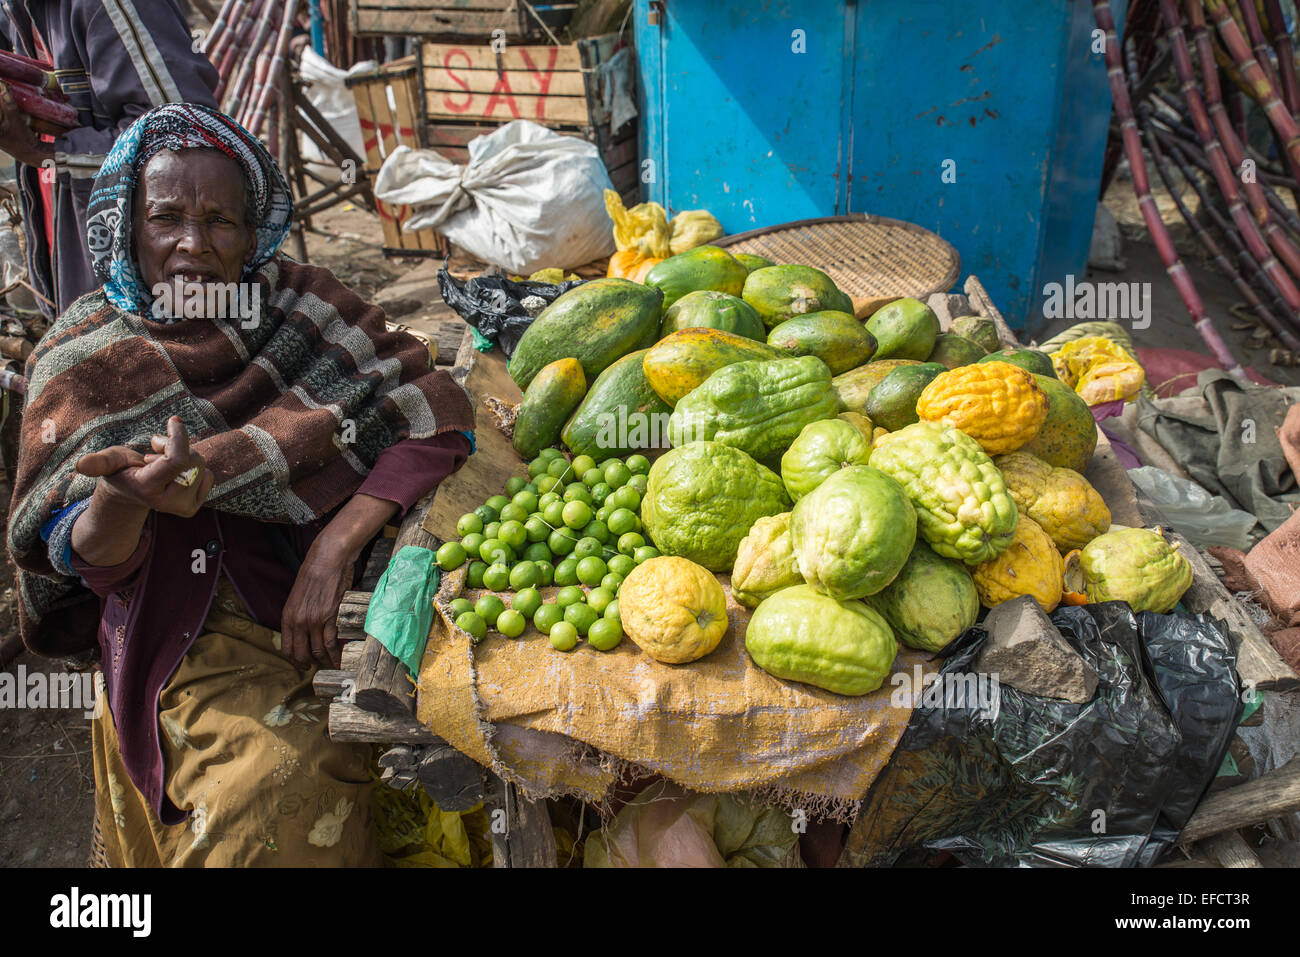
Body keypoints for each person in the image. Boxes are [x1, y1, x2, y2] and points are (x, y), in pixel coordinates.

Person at [6, 102, 478, 866]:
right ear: (127, 226)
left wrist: (334, 545)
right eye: (166, 218)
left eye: (220, 221)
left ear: (253, 232)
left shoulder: (304, 307)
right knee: (275, 796)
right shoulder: (84, 354)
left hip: (323, 617)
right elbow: (83, 556)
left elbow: (436, 417)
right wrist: (125, 499)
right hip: (185, 646)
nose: (193, 245)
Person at [0, 0, 220, 317]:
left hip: (144, 289)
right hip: (75, 259)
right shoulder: (20, 7)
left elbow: (181, 137)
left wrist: (45, 154)